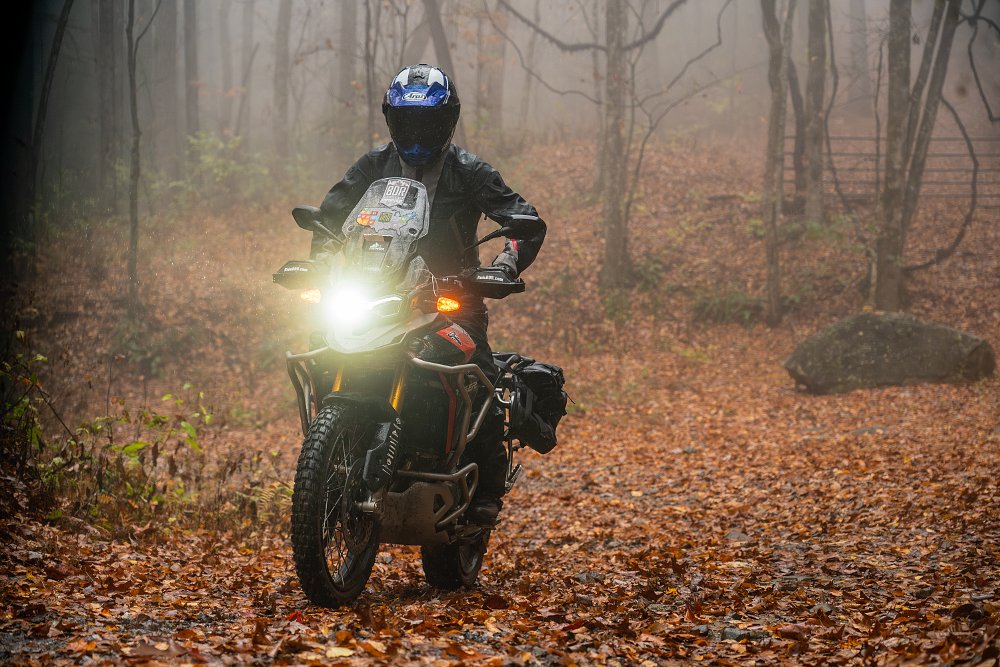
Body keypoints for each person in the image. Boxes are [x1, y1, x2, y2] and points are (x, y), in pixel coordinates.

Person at [312, 64, 546, 524]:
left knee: (475, 375)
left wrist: (503, 264)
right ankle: (328, 460)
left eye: (427, 121)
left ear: (447, 121)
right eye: (407, 120)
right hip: (378, 295)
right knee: (324, 352)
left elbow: (525, 222)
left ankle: (486, 496)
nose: (417, 130)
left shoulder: (471, 171)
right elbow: (327, 218)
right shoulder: (371, 167)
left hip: (452, 300)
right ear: (392, 119)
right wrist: (320, 261)